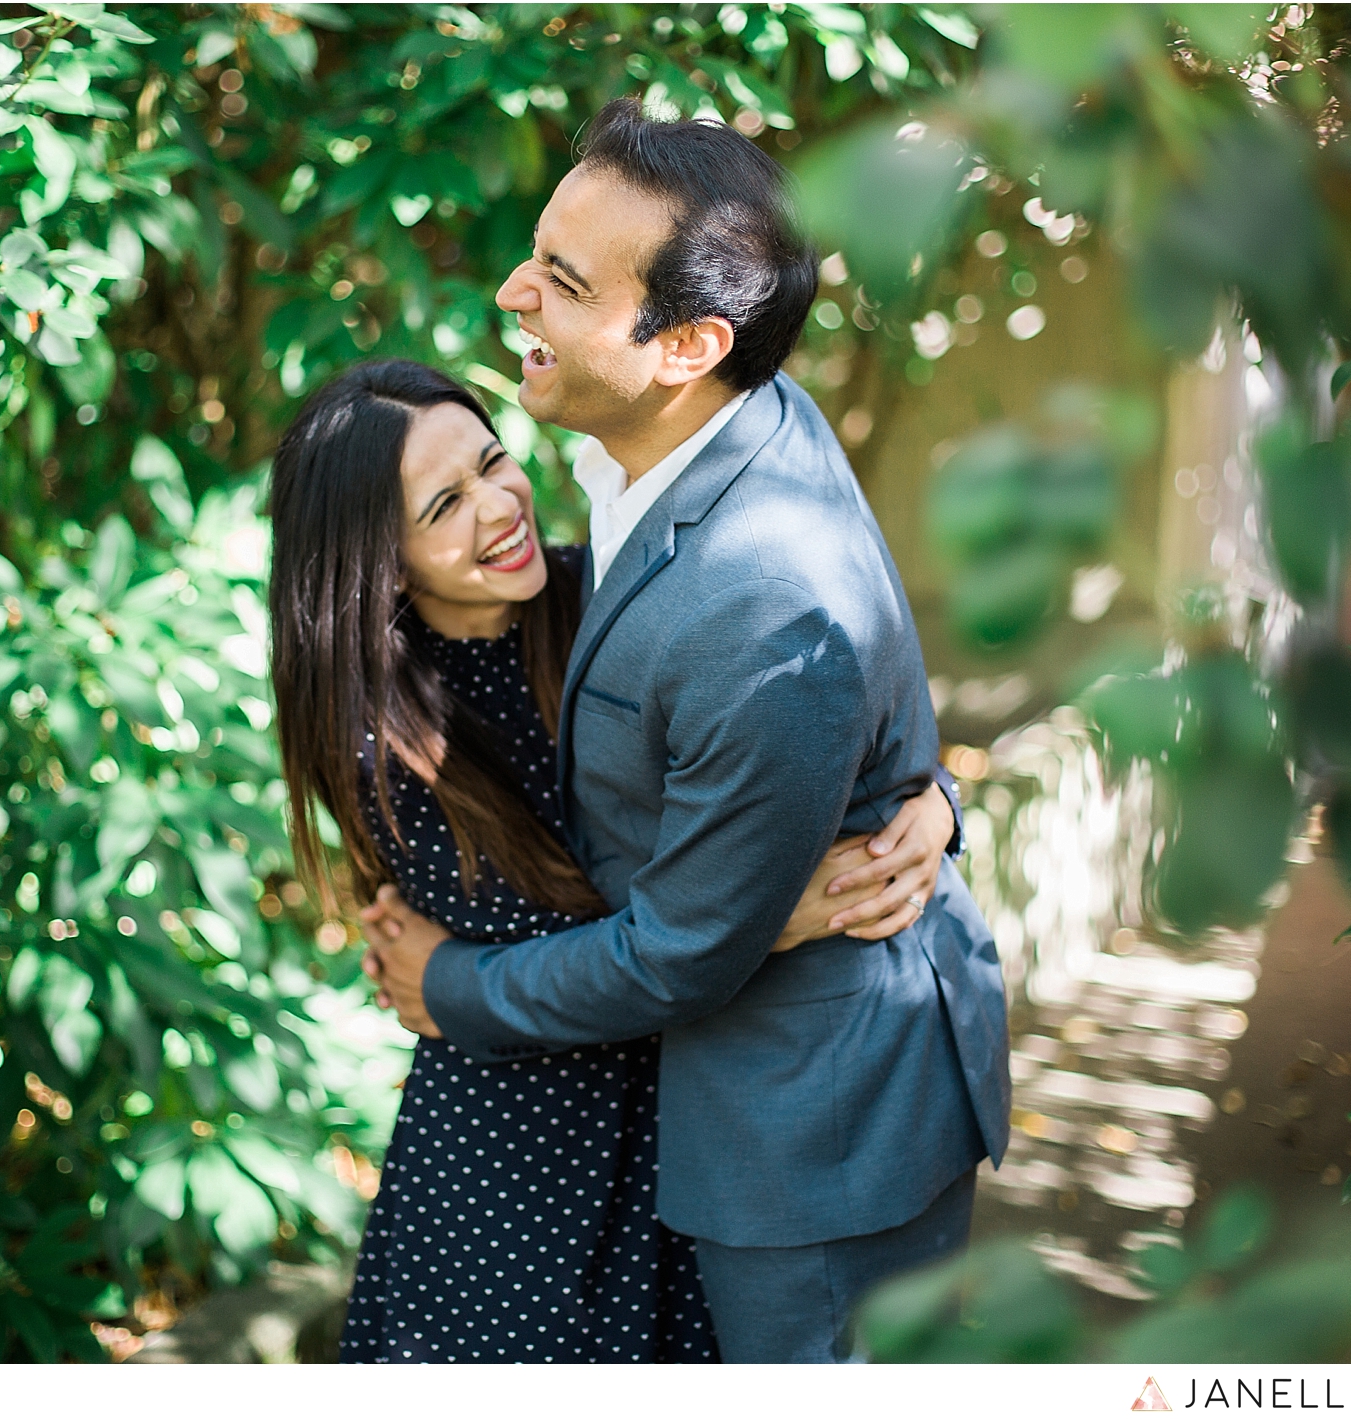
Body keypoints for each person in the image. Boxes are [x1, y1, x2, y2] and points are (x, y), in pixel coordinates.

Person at [357, 98, 1013, 1364]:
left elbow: (680, 957)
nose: (510, 296)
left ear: (686, 344)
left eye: (559, 281)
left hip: (810, 1138)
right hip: (687, 1102)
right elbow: (855, 689)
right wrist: (915, 788)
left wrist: (447, 983)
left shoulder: (757, 598)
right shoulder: (708, 433)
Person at [267, 360, 961, 1362]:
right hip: (520, 1172)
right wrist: (778, 910)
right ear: (379, 562)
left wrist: (928, 801)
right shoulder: (386, 739)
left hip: (690, 1129)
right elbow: (615, 936)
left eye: (493, 463)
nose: (497, 508)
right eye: (444, 505)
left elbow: (809, 721)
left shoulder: (619, 593)